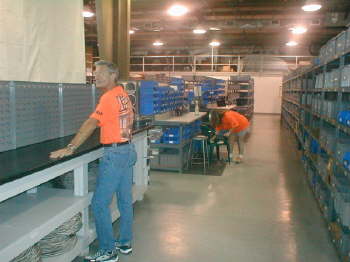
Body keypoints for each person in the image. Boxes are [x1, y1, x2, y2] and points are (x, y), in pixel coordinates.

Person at [50, 60, 136, 262]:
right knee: (125, 200)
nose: (95, 76)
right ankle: (124, 242)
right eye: (94, 72)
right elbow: (121, 123)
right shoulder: (123, 94)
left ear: (113, 75)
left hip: (115, 154)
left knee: (98, 204)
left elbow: (91, 123)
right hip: (127, 150)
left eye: (100, 73)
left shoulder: (107, 97)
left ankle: (107, 251)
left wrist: (70, 147)